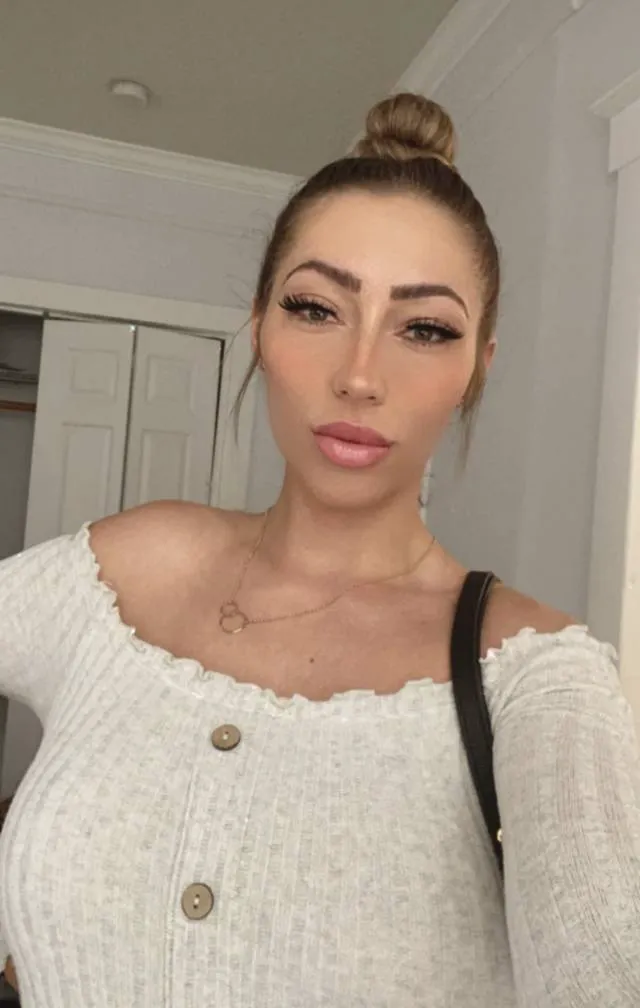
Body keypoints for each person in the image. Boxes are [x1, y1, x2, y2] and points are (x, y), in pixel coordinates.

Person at [0, 92, 638, 1008]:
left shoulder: (539, 682)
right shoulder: (126, 567)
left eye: (425, 328)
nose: (361, 374)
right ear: (259, 324)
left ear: (476, 369)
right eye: (316, 308)